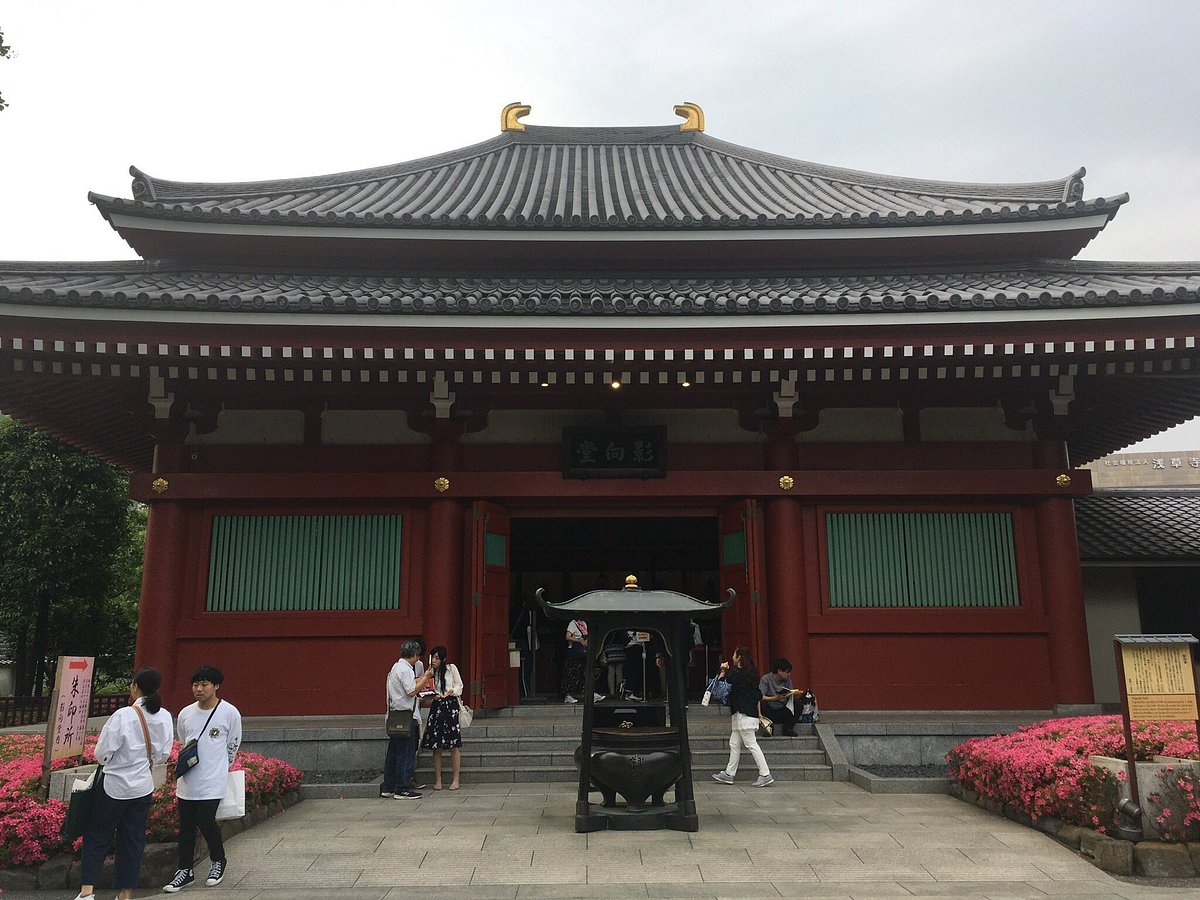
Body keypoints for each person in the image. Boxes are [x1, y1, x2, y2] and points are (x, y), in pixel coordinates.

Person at [75, 667, 173, 900]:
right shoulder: (165, 716)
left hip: (114, 786)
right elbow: (163, 755)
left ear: (135, 686)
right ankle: (125, 894)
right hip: (142, 787)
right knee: (133, 840)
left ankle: (87, 891)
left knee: (98, 836)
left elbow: (102, 754)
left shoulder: (123, 715)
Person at [163, 664, 243, 893]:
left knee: (206, 820)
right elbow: (183, 741)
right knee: (186, 826)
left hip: (213, 779)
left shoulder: (229, 712)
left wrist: (221, 767)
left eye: (204, 684)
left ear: (216, 686)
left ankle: (218, 860)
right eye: (195, 684)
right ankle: (185, 870)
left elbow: (233, 743)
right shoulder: (187, 713)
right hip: (188, 779)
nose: (198, 689)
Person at [711, 647, 774, 787]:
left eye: (734, 655)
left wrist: (722, 670)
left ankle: (765, 774)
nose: (732, 657)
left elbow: (724, 684)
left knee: (751, 744)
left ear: (739, 657)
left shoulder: (736, 674)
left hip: (742, 714)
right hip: (748, 713)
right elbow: (757, 695)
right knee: (734, 743)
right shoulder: (751, 674)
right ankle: (729, 773)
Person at [381, 640, 433, 800]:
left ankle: (388, 786)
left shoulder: (395, 668)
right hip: (406, 715)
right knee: (405, 753)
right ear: (415, 654)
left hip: (395, 715)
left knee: (394, 753)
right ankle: (402, 788)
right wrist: (425, 678)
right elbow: (411, 691)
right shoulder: (407, 670)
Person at [420, 645, 464, 790]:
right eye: (433, 658)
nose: (434, 661)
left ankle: (455, 779)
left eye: (437, 658)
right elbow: (426, 691)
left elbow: (460, 685)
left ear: (443, 659)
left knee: (453, 744)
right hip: (437, 705)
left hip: (450, 705)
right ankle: (438, 779)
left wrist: (453, 691)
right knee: (436, 746)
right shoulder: (431, 673)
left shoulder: (451, 669)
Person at [561, 618, 604, 703]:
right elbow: (568, 636)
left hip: (584, 651)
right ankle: (568, 695)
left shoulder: (584, 623)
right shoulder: (573, 623)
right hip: (574, 652)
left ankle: (591, 693)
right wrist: (579, 640)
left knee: (585, 673)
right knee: (572, 673)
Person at [758, 658, 799, 737]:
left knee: (798, 704)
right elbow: (760, 696)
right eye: (787, 672)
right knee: (762, 703)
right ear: (779, 671)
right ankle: (768, 727)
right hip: (770, 709)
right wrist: (774, 698)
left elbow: (790, 692)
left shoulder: (787, 680)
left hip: (783, 707)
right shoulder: (765, 679)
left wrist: (794, 695)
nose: (789, 674)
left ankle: (788, 729)